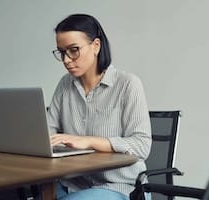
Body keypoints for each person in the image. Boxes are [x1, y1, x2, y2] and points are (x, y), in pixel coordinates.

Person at [47, 13, 152, 200]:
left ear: (96, 46)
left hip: (119, 187)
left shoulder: (127, 84)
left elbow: (142, 145)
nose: (66, 60)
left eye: (73, 50)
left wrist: (89, 141)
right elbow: (49, 131)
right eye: (61, 52)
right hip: (71, 183)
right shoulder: (65, 84)